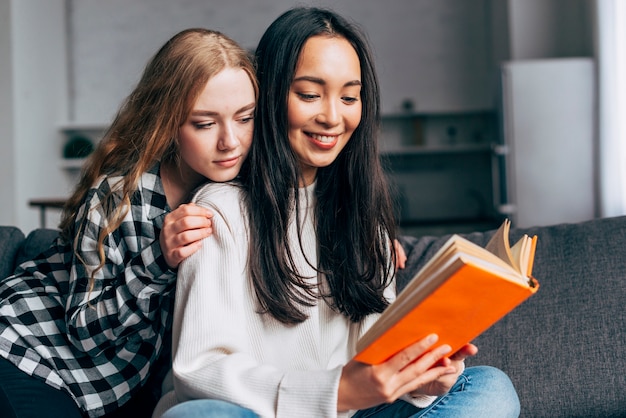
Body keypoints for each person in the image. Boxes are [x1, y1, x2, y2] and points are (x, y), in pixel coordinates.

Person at [154, 6, 520, 418]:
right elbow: (199, 371)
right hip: (257, 413)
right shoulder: (218, 212)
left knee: (489, 388)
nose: (332, 116)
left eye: (349, 97)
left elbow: (375, 360)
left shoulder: (367, 224)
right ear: (270, 97)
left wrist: (422, 375)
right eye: (310, 94)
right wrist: (336, 392)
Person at [0, 28, 257, 418]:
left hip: (104, 389)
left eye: (245, 118)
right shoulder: (118, 195)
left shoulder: (241, 192)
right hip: (26, 349)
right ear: (169, 122)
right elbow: (84, 331)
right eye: (205, 124)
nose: (231, 141)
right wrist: (158, 258)